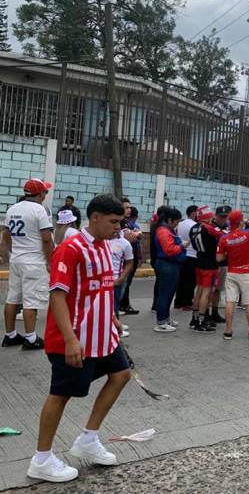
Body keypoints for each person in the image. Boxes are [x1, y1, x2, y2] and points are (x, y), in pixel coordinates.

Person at [26, 194, 130, 483]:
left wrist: (111, 318)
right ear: (95, 217)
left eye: (119, 222)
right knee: (61, 395)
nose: (117, 228)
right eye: (113, 222)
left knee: (121, 374)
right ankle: (41, 459)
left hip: (102, 336)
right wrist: (70, 339)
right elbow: (58, 295)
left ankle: (88, 438)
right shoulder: (71, 249)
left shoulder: (105, 247)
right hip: (75, 339)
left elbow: (101, 288)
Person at [2, 178, 55, 350]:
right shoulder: (40, 210)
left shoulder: (12, 209)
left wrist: (12, 253)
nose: (45, 195)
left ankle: (10, 335)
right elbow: (47, 240)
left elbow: (6, 237)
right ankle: (31, 338)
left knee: (12, 299)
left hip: (17, 260)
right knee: (31, 301)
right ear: (40, 194)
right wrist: (51, 260)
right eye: (45, 192)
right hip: (34, 262)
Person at [216, 210, 249, 340]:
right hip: (248, 272)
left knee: (230, 301)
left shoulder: (224, 239)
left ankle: (228, 330)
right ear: (241, 222)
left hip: (232, 272)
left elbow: (219, 258)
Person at [188, 206, 223, 333]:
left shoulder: (194, 227)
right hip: (210, 263)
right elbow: (222, 237)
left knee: (198, 291)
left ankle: (195, 318)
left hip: (199, 260)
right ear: (208, 216)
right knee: (206, 293)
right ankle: (202, 321)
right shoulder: (209, 228)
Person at [153, 207, 186, 332]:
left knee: (170, 293)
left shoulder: (168, 230)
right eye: (176, 222)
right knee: (165, 294)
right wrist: (182, 246)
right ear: (170, 220)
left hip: (172, 265)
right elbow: (169, 250)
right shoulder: (163, 231)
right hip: (167, 265)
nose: (177, 224)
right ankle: (161, 322)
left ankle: (166, 318)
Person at [109, 229, 134, 337]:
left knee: (115, 305)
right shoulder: (100, 240)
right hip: (101, 281)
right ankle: (112, 328)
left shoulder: (124, 243)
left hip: (115, 280)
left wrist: (121, 278)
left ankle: (115, 329)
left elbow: (129, 262)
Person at [118, 207, 142, 316]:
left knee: (125, 285)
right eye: (126, 207)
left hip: (129, 258)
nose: (128, 210)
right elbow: (133, 237)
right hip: (120, 262)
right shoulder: (123, 225)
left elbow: (137, 236)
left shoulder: (128, 224)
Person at [174, 205, 199, 310]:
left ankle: (178, 302)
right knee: (190, 280)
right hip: (192, 254)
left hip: (182, 253)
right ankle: (187, 302)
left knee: (181, 279)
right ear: (193, 213)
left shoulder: (179, 224)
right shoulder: (195, 225)